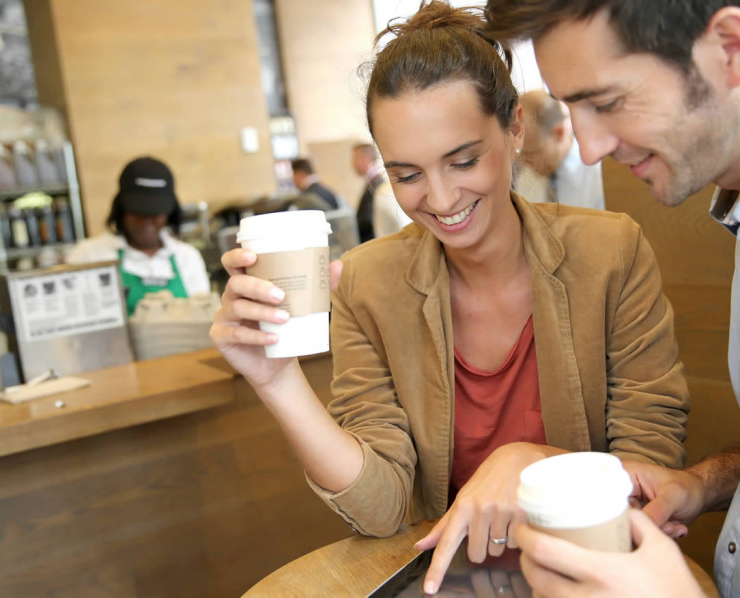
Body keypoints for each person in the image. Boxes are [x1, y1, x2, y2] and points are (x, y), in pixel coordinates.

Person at [211, 2, 690, 593]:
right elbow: (381, 508)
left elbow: (651, 470)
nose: (439, 198)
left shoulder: (611, 252)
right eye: (407, 175)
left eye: (463, 161)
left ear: (514, 128)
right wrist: (276, 382)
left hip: (592, 574)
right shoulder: (368, 284)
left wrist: (530, 460)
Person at [484, 0, 740, 596]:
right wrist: (705, 482)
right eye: (573, 109)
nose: (588, 147)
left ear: (731, 48)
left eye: (605, 103)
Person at [66, 156, 210, 316]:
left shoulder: (187, 257)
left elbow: (203, 319)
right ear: (121, 209)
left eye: (156, 213)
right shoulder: (89, 256)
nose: (147, 221)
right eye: (137, 211)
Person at [515, 89, 604, 209]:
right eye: (520, 153)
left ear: (559, 133)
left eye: (531, 153)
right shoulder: (526, 178)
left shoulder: (598, 178)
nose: (524, 162)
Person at [352, 142, 413, 241]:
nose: (353, 164)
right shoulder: (372, 183)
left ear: (365, 158)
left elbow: (370, 221)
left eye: (354, 159)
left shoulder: (378, 185)